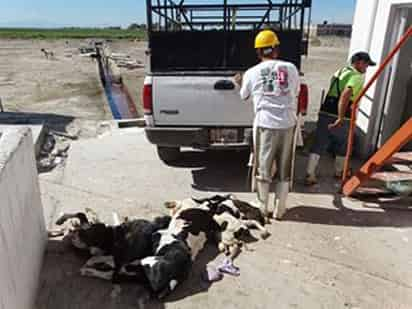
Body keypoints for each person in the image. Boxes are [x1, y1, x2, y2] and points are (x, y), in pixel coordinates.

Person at [235, 29, 300, 220]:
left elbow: (244, 95)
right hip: (288, 123)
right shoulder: (291, 68)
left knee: (263, 166)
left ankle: (262, 209)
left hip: (265, 124)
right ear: (276, 50)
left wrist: (240, 81)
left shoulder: (251, 73)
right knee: (285, 166)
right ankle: (280, 209)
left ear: (258, 52)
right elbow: (294, 92)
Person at [305, 52, 376, 185]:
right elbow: (346, 95)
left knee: (320, 142)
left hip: (326, 109)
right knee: (343, 143)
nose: (366, 68)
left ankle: (310, 173)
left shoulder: (341, 71)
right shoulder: (357, 76)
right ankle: (340, 171)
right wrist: (341, 117)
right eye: (366, 64)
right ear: (359, 62)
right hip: (341, 113)